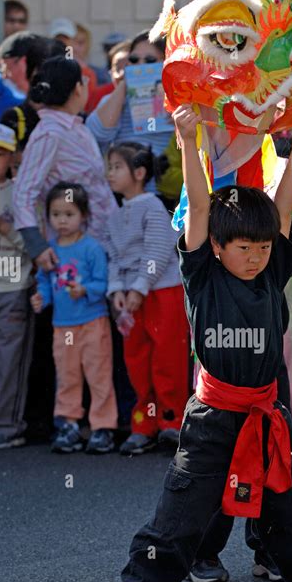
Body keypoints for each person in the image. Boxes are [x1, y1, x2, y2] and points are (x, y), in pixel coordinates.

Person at [93, 104, 292, 582]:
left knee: (291, 520)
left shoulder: (272, 265)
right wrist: (188, 139)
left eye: (263, 246)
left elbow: (284, 203)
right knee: (174, 527)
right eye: (243, 248)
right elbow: (200, 203)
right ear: (216, 247)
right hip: (212, 420)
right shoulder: (200, 268)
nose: (254, 256)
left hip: (267, 414)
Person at [104, 141, 189, 455]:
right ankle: (144, 423)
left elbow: (157, 251)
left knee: (167, 357)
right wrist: (116, 290)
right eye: (108, 167)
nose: (109, 174)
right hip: (131, 297)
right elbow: (113, 254)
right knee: (137, 359)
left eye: (116, 167)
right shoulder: (115, 214)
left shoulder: (153, 206)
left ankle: (172, 421)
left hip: (161, 292)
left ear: (139, 172)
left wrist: (139, 287)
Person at [30, 183, 117, 454]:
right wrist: (41, 297)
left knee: (98, 374)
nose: (62, 220)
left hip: (93, 322)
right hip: (62, 326)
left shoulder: (92, 248)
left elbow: (103, 283)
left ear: (84, 216)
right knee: (67, 376)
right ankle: (68, 424)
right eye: (56, 214)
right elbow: (44, 280)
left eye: (69, 214)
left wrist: (86, 290)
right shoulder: (51, 250)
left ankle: (103, 428)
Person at [13, 55, 116, 271]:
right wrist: (37, 246)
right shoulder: (49, 134)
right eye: (84, 80)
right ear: (78, 89)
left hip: (105, 242)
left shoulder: (77, 127)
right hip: (74, 252)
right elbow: (23, 193)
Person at [0, 124, 34, 450]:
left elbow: (32, 243)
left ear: (11, 157)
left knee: (9, 357)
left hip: (12, 282)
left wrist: (5, 227)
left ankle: (7, 427)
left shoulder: (20, 193)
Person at [86, 31, 173, 163]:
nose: (140, 65)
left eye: (150, 60)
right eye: (133, 60)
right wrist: (125, 83)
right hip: (126, 178)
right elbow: (97, 134)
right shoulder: (117, 99)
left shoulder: (182, 100)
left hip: (165, 178)